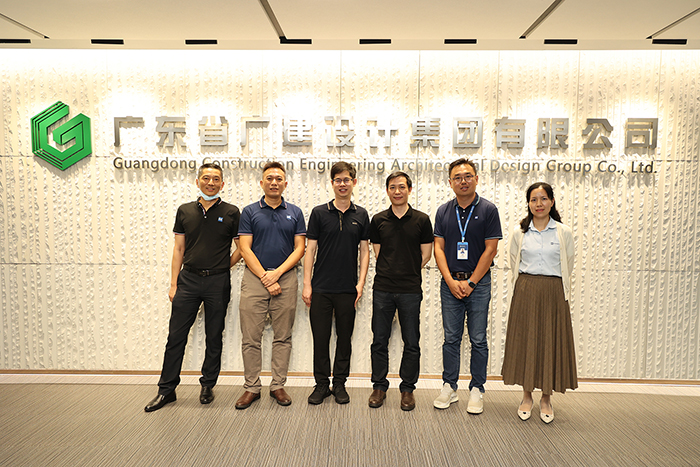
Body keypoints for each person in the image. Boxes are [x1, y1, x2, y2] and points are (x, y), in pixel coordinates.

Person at [145, 163, 241, 412]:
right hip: (187, 280)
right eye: (206, 178)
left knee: (214, 336)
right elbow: (179, 249)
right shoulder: (185, 210)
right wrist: (173, 283)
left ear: (222, 184)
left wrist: (223, 267)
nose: (211, 183)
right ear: (197, 181)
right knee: (176, 337)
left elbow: (241, 248)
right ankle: (166, 390)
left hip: (218, 282)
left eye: (216, 179)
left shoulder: (232, 212)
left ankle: (208, 385)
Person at [501, 182, 576, 424]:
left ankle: (546, 398)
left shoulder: (563, 232)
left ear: (552, 202)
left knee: (549, 343)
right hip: (526, 290)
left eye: (543, 199)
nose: (539, 204)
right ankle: (526, 396)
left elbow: (568, 263)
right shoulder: (519, 232)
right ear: (528, 204)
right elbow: (514, 260)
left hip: (554, 292)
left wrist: (555, 288)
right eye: (534, 199)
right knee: (527, 342)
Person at [432, 158, 502, 414]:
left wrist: (472, 282)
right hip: (450, 283)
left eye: (468, 176)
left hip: (479, 284)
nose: (463, 181)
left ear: (476, 179)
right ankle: (449, 386)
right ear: (450, 182)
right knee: (451, 338)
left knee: (478, 338)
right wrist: (451, 281)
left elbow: (491, 250)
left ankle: (477, 388)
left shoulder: (488, 210)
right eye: (458, 177)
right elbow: (438, 248)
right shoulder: (443, 211)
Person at [235, 161, 306, 409]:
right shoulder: (249, 212)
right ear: (262, 182)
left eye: (278, 179)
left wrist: (277, 274)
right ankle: (251, 387)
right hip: (254, 279)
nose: (274, 182)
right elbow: (244, 248)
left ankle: (277, 385)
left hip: (285, 278)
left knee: (283, 336)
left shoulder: (295, 212)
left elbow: (300, 248)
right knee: (250, 338)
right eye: (269, 178)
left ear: (285, 184)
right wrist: (266, 277)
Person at [302, 162, 370, 405]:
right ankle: (321, 384)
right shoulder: (319, 213)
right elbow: (310, 250)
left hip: (348, 289)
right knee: (321, 340)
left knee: (344, 339)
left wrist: (360, 283)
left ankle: (339, 383)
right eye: (338, 180)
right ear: (332, 183)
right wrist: (307, 284)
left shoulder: (361, 214)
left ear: (354, 182)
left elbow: (365, 251)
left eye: (347, 179)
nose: (343, 184)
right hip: (321, 288)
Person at [368, 171, 433, 411]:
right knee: (379, 340)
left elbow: (426, 254)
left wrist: (407, 270)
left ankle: (407, 389)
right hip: (383, 288)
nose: (397, 191)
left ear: (409, 190)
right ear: (387, 191)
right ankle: (379, 387)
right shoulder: (378, 220)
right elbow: (378, 253)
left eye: (402, 187)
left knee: (411, 341)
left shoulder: (422, 220)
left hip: (410, 289)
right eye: (393, 187)